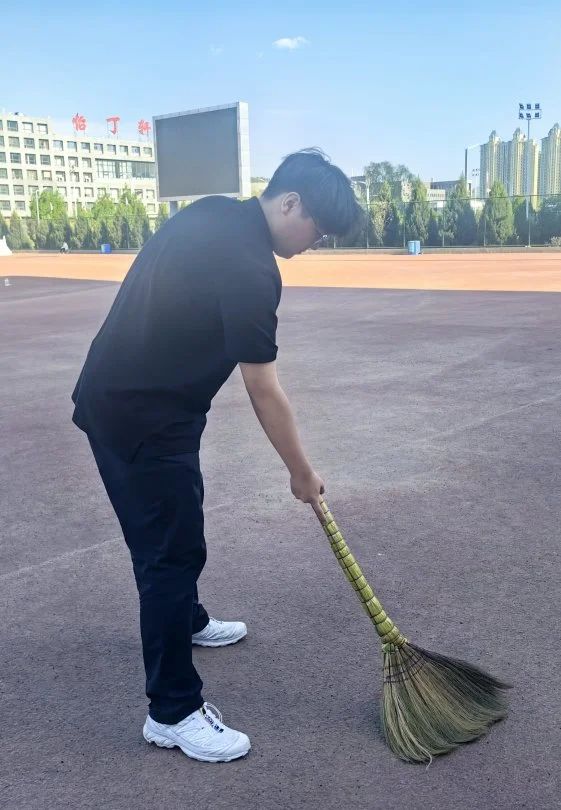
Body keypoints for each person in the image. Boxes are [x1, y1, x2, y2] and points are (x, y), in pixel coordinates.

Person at [71, 148, 363, 763]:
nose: (316, 244)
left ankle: (188, 619)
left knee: (177, 530)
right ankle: (172, 712)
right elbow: (263, 387)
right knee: (168, 556)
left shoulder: (210, 212)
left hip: (127, 397)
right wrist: (302, 473)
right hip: (144, 416)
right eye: (318, 230)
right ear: (291, 204)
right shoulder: (253, 268)